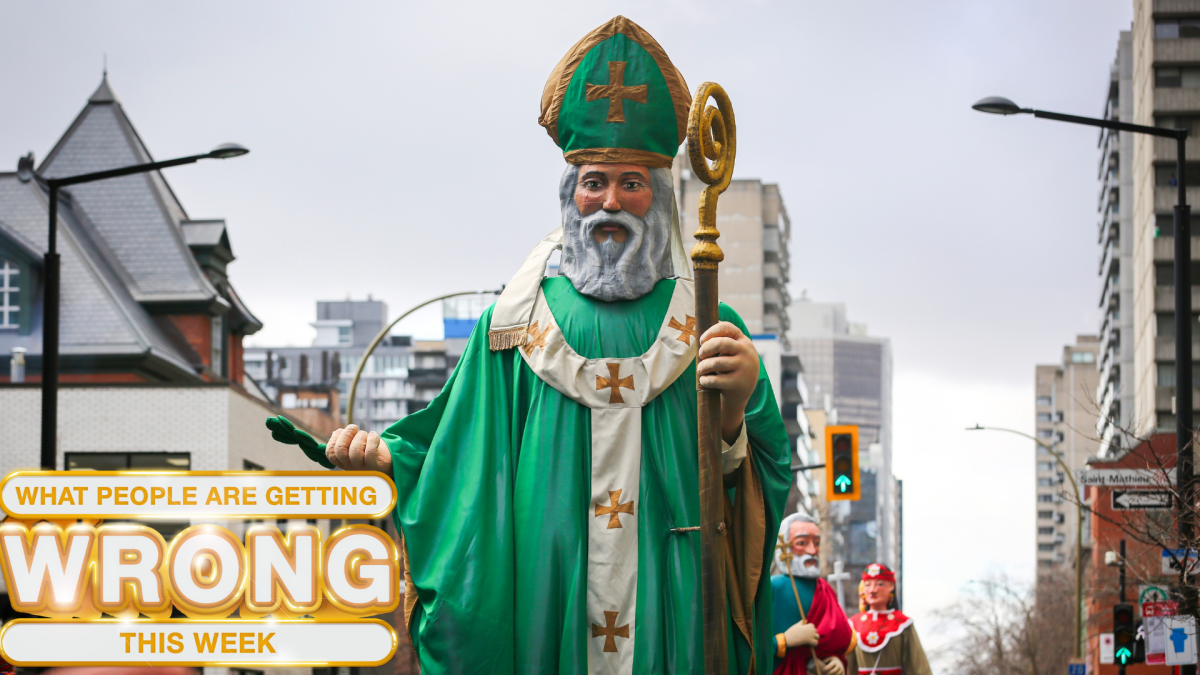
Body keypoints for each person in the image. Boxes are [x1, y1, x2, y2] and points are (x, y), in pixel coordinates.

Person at [266, 15, 791, 675]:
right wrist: (385, 459)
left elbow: (761, 488)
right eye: (593, 182)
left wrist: (738, 411)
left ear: (659, 198)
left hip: (671, 596)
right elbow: (448, 453)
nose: (609, 203)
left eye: (631, 182)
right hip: (545, 600)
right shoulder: (510, 325)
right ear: (570, 194)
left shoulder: (713, 325)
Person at [770, 513, 856, 675]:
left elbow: (837, 640)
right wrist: (785, 640)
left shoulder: (824, 589)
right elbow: (750, 645)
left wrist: (837, 661)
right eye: (802, 543)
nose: (812, 550)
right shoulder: (774, 587)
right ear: (786, 547)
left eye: (816, 543)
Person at [847, 564, 931, 675]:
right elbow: (847, 667)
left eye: (880, 584)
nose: (872, 590)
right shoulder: (853, 624)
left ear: (891, 586)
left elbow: (918, 665)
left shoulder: (902, 624)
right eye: (867, 585)